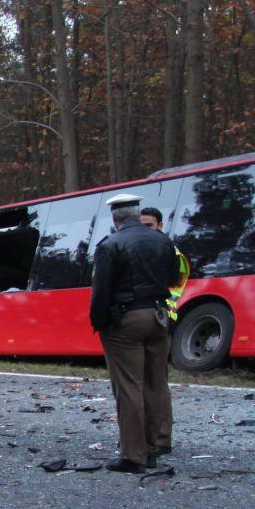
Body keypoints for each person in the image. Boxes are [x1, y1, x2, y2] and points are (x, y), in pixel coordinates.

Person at [91, 193, 182, 472]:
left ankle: (133, 455)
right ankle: (154, 447)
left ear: (115, 217)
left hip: (126, 319)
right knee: (156, 383)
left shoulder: (110, 245)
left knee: (129, 386)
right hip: (159, 316)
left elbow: (101, 290)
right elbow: (173, 278)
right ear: (136, 213)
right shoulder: (164, 242)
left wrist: (100, 322)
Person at [139, 206, 191, 323]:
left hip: (160, 313)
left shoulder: (173, 252)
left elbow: (176, 285)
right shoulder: (134, 247)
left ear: (160, 226)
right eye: (141, 226)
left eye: (149, 225)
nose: (145, 230)